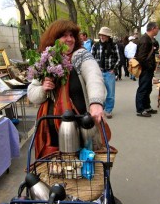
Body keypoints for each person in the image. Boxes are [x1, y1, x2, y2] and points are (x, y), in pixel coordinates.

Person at [27, 19, 106, 159]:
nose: (70, 39)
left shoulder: (81, 55)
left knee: (82, 166)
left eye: (72, 35)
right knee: (56, 170)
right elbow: (32, 94)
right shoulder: (46, 59)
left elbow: (94, 76)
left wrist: (96, 102)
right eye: (64, 35)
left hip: (81, 127)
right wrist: (43, 89)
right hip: (51, 129)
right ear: (54, 39)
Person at [91, 27, 119, 119]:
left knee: (110, 94)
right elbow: (91, 58)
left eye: (104, 35)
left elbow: (119, 59)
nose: (102, 36)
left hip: (109, 73)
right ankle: (100, 108)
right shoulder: (95, 45)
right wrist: (95, 69)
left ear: (108, 36)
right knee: (99, 92)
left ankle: (108, 110)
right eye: (101, 35)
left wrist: (114, 69)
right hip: (98, 73)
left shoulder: (114, 45)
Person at [135, 22, 159, 117]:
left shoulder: (148, 39)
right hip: (145, 69)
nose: (158, 30)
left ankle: (146, 107)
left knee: (148, 88)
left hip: (148, 69)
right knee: (143, 88)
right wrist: (149, 67)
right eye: (157, 28)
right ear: (153, 28)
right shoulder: (145, 40)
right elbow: (141, 57)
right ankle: (140, 109)